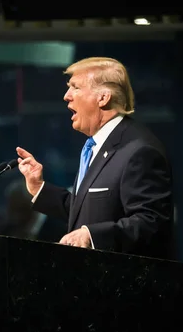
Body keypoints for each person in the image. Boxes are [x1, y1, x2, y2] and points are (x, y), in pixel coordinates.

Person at [16, 57, 173, 258]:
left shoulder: (139, 151)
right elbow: (85, 210)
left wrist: (91, 236)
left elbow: (151, 221)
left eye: (75, 87)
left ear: (103, 98)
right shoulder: (96, 146)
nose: (66, 96)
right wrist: (39, 187)